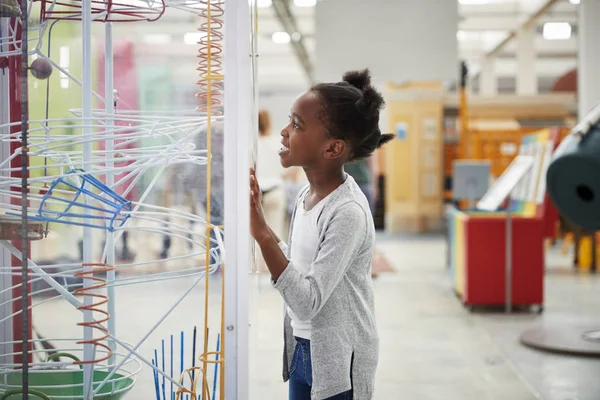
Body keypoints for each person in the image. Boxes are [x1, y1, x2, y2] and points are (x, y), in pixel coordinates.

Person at [249, 69, 394, 400]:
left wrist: (263, 237)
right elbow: (299, 266)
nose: (284, 133)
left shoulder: (347, 213)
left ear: (332, 149)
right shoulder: (306, 196)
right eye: (289, 121)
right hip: (304, 349)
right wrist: (261, 221)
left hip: (338, 363)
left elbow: (307, 301)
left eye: (297, 125)